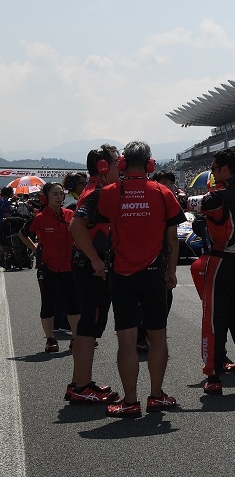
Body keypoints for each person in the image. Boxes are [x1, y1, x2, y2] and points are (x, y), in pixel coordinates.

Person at [73, 141, 183, 417]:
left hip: (121, 275)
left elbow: (78, 224)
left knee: (126, 340)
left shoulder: (110, 192)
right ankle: (156, 396)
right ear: (149, 165)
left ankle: (130, 401)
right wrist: (171, 271)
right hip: (154, 274)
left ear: (122, 164)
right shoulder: (162, 192)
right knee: (157, 337)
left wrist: (97, 261)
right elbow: (172, 238)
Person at [189, 148, 235, 396]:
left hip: (221, 263)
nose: (211, 173)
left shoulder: (218, 196)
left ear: (224, 169)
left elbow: (188, 204)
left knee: (214, 320)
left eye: (213, 168)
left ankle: (213, 375)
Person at [66, 145, 121, 405]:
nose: (119, 166)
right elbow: (76, 225)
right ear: (102, 166)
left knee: (87, 326)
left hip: (86, 266)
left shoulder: (95, 189)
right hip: (90, 268)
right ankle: (82, 387)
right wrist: (96, 260)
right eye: (115, 162)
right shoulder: (97, 192)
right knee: (89, 327)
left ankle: (79, 382)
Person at [19, 182, 80, 354]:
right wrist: (35, 249)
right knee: (48, 303)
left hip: (69, 266)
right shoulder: (39, 218)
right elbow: (22, 235)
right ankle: (50, 339)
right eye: (55, 194)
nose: (59, 197)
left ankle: (76, 337)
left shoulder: (70, 214)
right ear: (46, 197)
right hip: (48, 266)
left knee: (74, 302)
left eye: (61, 194)